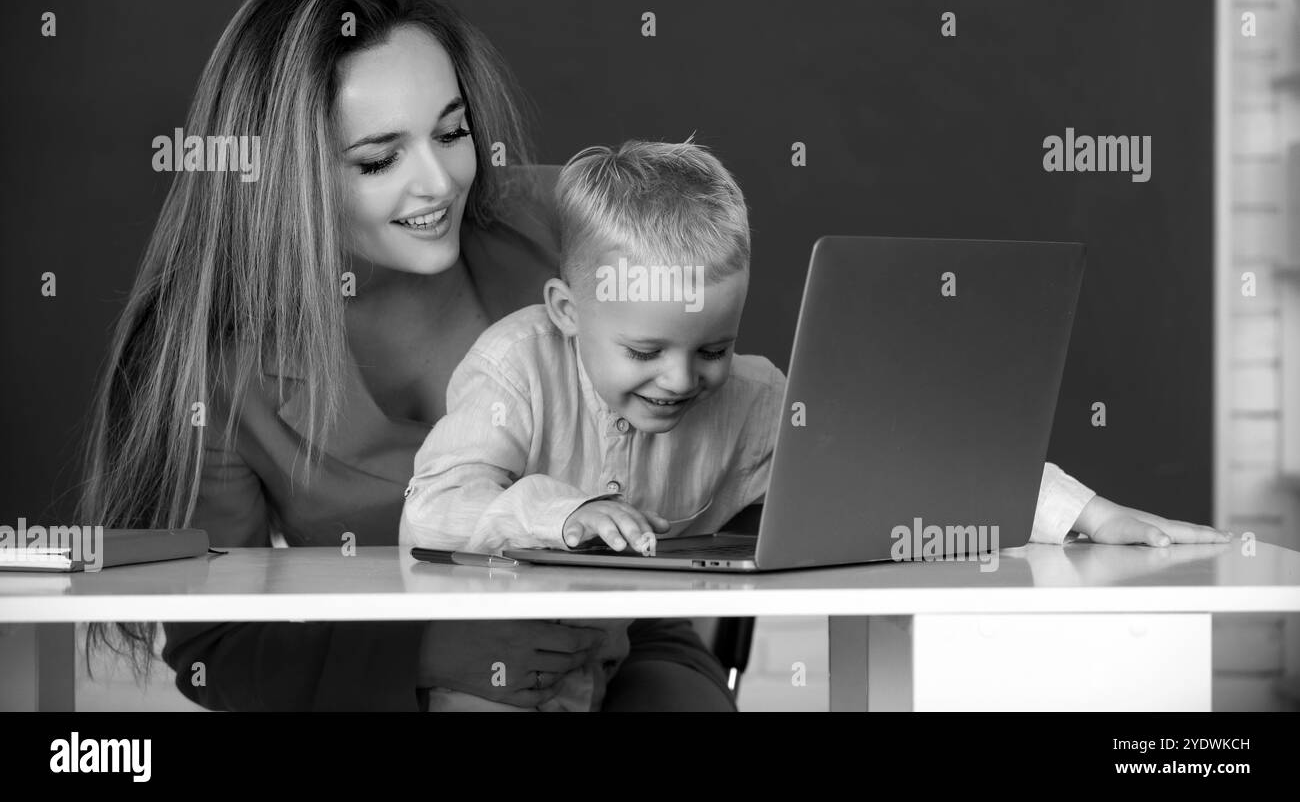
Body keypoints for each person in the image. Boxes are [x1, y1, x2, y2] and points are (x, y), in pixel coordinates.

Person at [77, 0, 733, 711]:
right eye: (381, 158)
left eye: (452, 132)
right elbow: (216, 649)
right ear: (282, 177)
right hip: (399, 684)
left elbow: (710, 376)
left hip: (626, 642)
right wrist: (427, 652)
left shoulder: (566, 227)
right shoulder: (213, 360)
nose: (440, 181)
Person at [399, 138, 1233, 711]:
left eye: (712, 347)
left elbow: (907, 460)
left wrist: (1086, 515)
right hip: (488, 654)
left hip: (615, 653)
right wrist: (563, 511)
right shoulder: (515, 365)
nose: (682, 378)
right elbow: (434, 508)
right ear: (566, 311)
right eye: (646, 348)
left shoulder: (753, 400)